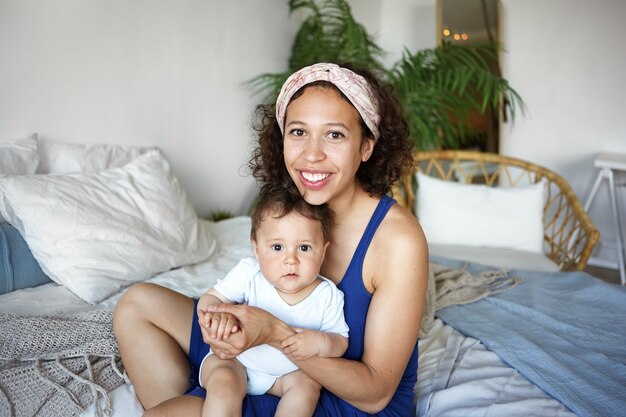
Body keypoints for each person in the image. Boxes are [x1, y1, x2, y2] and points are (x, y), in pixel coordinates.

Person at [114, 62, 428, 417]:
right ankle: (206, 401)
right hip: (259, 364)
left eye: (334, 135)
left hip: (334, 398)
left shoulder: (398, 239)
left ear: (367, 146)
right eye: (298, 132)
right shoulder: (291, 205)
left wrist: (274, 334)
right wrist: (220, 323)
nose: (312, 154)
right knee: (137, 304)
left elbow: (375, 394)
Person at [197, 184, 349, 417]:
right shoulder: (250, 272)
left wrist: (321, 343)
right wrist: (218, 317)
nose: (291, 260)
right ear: (256, 250)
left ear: (323, 251)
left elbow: (340, 340)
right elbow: (210, 298)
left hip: (286, 375)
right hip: (238, 361)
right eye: (277, 247)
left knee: (307, 387)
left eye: (305, 248)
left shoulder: (328, 295)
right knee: (223, 383)